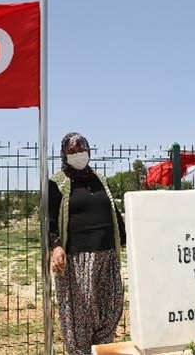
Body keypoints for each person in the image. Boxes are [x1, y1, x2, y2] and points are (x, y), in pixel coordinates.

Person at [48, 132, 126, 354]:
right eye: (72, 151)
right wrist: (56, 245)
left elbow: (113, 213)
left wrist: (128, 238)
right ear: (64, 154)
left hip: (107, 256)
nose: (78, 154)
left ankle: (100, 350)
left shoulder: (99, 179)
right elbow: (50, 220)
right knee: (80, 316)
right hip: (77, 260)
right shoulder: (57, 182)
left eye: (81, 150)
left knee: (110, 310)